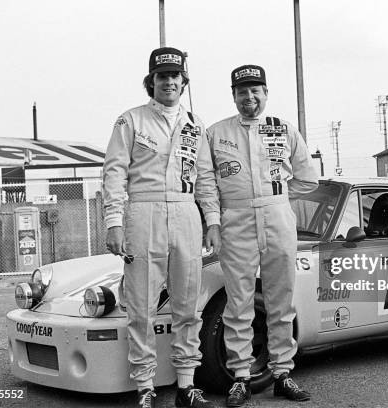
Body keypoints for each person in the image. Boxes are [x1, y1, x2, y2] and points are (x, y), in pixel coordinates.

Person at [103, 46, 221, 408]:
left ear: (184, 82)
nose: (168, 82)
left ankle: (186, 386)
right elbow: (114, 172)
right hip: (143, 213)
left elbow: (205, 177)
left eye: (175, 76)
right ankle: (145, 387)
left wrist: (213, 221)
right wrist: (114, 222)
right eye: (161, 76)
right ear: (150, 81)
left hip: (186, 214)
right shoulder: (130, 120)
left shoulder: (195, 124)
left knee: (188, 305)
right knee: (141, 306)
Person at [206, 65, 319, 407]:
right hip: (235, 219)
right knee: (238, 302)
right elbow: (206, 183)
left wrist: (278, 199)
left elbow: (308, 179)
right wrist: (215, 217)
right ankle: (241, 377)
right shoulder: (215, 133)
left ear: (266, 93)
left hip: (277, 215)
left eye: (256, 90)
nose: (249, 97)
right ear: (234, 95)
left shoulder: (284, 130)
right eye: (242, 91)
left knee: (280, 300)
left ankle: (283, 373)